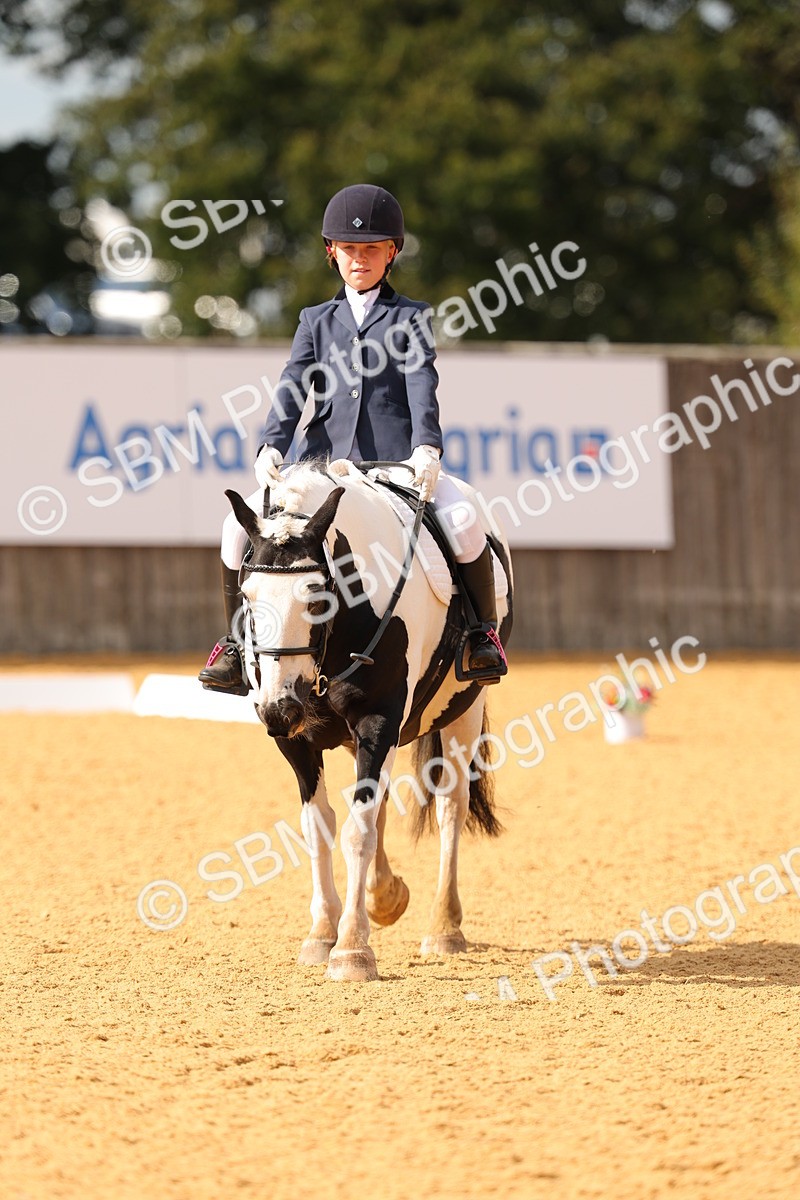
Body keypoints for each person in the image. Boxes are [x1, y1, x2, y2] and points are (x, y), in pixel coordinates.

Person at [199, 183, 507, 695]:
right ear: (332, 252)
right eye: (349, 249)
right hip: (320, 466)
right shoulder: (315, 320)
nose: (359, 259)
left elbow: (421, 382)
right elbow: (294, 383)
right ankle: (234, 645)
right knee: (235, 529)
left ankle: (481, 634)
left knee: (462, 519)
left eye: (371, 249)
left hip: (395, 463)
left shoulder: (410, 316)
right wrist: (272, 443)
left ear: (391, 253)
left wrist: (426, 447)